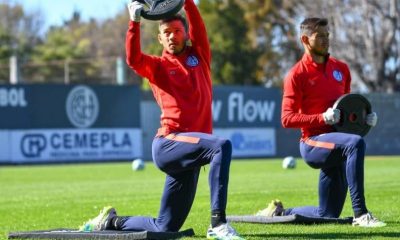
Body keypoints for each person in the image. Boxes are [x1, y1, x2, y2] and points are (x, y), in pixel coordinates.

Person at [78, 0, 244, 239]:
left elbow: (198, 23)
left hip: (190, 153)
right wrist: (134, 22)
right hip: (168, 144)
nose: (172, 36)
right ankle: (218, 224)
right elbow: (133, 59)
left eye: (177, 31)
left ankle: (111, 221)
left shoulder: (200, 55)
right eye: (166, 33)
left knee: (165, 228)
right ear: (159, 39)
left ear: (186, 34)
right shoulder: (157, 66)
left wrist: (186, 2)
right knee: (221, 146)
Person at [256, 17, 386, 228]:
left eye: (328, 35)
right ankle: (361, 214)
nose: (326, 40)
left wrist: (365, 119)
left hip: (337, 146)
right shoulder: (296, 75)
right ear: (305, 39)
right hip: (312, 143)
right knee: (355, 144)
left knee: (327, 214)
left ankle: (279, 212)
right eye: (320, 36)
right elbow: (286, 118)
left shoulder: (341, 69)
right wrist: (321, 117)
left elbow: (346, 112)